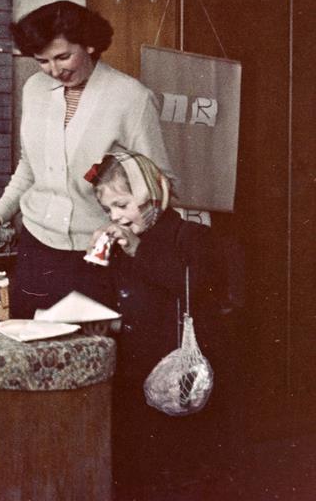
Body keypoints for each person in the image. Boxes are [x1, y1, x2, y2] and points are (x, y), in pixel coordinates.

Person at [0, 0, 172, 318]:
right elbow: (29, 167)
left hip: (98, 254)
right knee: (30, 351)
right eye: (42, 61)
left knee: (89, 355)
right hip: (36, 248)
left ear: (89, 44)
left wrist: (127, 230)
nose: (55, 70)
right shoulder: (34, 88)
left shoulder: (131, 97)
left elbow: (158, 184)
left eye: (63, 56)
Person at [85, 151, 237, 499]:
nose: (116, 217)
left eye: (122, 205)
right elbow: (117, 295)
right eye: (109, 211)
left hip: (178, 372)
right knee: (139, 462)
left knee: (179, 465)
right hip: (136, 367)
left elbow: (193, 285)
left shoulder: (189, 235)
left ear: (150, 194)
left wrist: (139, 251)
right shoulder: (124, 242)